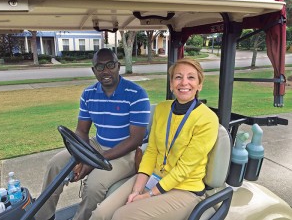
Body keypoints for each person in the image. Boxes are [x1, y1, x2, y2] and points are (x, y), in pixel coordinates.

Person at [89, 58, 219, 220]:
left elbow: (184, 169)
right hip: (155, 177)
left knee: (122, 216)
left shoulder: (207, 119)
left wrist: (148, 195)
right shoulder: (162, 109)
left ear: (199, 85)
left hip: (185, 189)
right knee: (100, 214)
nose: (184, 82)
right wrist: (137, 190)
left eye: (191, 77)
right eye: (178, 77)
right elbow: (151, 151)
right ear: (171, 84)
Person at [35, 48, 151, 220]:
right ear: (93, 70)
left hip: (126, 152)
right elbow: (81, 131)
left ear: (118, 66)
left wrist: (96, 160)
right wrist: (82, 157)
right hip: (97, 144)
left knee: (94, 186)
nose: (105, 71)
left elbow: (136, 139)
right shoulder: (88, 94)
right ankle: (43, 216)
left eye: (110, 65)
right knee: (55, 164)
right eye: (99, 66)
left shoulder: (136, 94)